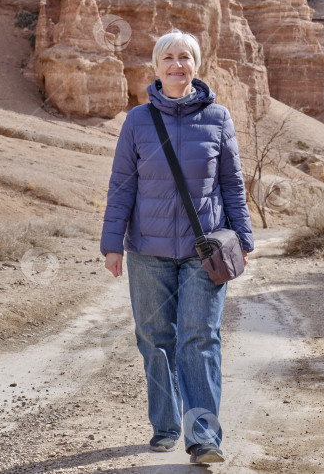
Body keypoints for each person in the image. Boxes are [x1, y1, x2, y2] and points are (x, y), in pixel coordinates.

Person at [100, 29, 254, 465]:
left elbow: (231, 184)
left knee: (200, 338)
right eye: (168, 58)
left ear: (196, 65)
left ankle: (203, 436)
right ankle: (166, 425)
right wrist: (113, 244)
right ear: (156, 67)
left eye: (184, 57)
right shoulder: (137, 121)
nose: (176, 65)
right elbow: (122, 186)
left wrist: (242, 239)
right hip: (147, 252)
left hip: (201, 250)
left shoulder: (218, 118)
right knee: (155, 339)